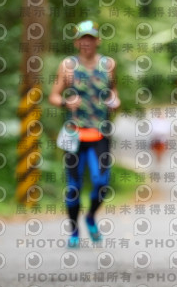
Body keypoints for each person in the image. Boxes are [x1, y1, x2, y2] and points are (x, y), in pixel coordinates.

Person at [49, 20, 120, 248]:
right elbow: (54, 95)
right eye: (82, 38)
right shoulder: (68, 66)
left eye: (90, 38)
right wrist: (65, 102)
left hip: (100, 134)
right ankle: (74, 231)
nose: (86, 42)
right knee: (74, 186)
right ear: (76, 42)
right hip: (75, 135)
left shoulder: (108, 64)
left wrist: (115, 100)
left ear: (98, 40)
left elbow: (113, 91)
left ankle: (90, 217)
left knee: (102, 182)